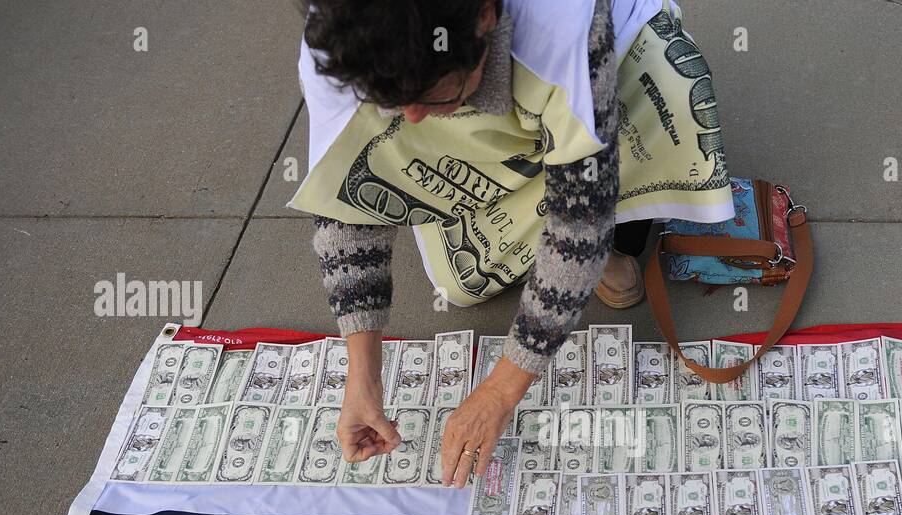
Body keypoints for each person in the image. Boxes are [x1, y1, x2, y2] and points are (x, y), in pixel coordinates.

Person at [294, 0, 732, 486]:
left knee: (643, 130)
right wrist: (363, 374)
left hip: (623, 61)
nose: (413, 117)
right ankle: (519, 160)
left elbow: (579, 224)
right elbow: (348, 207)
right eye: (395, 101)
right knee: (461, 283)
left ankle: (622, 226)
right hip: (499, 97)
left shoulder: (562, 24)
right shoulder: (340, 40)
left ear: (485, 16)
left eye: (433, 94)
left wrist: (500, 393)